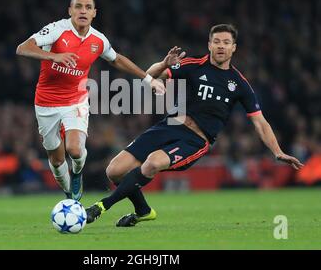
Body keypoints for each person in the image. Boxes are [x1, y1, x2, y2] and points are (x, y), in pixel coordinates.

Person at [86, 24, 303, 226]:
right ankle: (143, 211)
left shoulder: (239, 84)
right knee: (114, 171)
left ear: (233, 48)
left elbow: (260, 122)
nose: (220, 46)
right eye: (216, 41)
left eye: (226, 42)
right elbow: (150, 76)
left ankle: (102, 206)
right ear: (209, 44)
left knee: (152, 162)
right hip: (170, 125)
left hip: (196, 140)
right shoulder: (193, 66)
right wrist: (163, 64)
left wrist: (277, 151)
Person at [16, 0, 165, 200]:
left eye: (88, 7)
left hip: (75, 100)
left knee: (75, 150)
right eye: (78, 7)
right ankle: (68, 192)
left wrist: (148, 79)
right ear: (70, 11)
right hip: (46, 103)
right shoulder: (57, 30)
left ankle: (77, 173)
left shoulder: (98, 39)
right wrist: (54, 56)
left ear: (94, 13)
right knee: (57, 161)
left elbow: (116, 59)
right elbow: (23, 48)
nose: (83, 11)